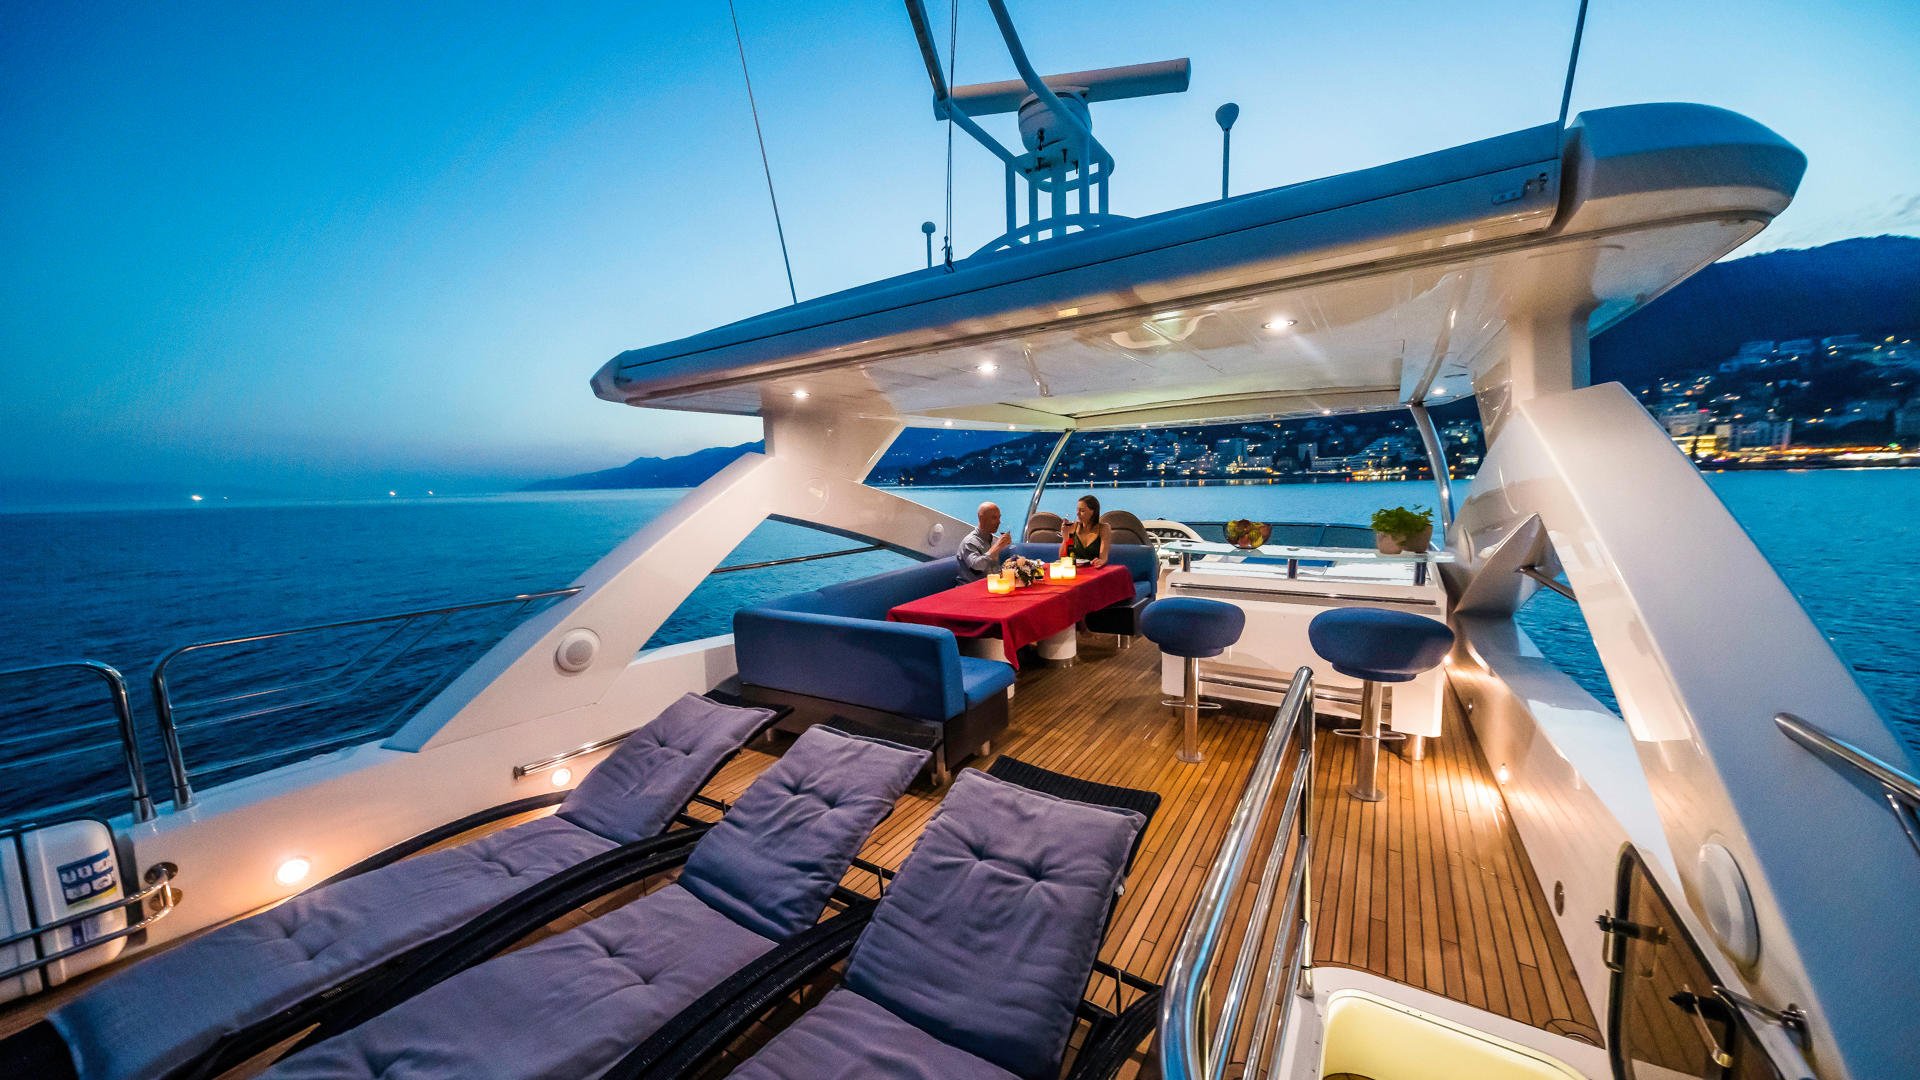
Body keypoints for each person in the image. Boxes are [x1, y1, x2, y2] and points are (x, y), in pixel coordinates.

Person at [956, 501, 1012, 584]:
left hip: (991, 585)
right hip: (970, 588)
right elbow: (977, 567)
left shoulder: (992, 539)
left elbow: (994, 570)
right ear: (982, 519)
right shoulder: (969, 542)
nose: (999, 522)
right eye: (994, 518)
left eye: (999, 518)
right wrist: (996, 547)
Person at [1059, 494, 1110, 568]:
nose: (1077, 513)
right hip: (1075, 569)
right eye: (1077, 510)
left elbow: (1103, 558)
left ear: (1093, 512)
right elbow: (1062, 557)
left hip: (1094, 569)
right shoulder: (1073, 527)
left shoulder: (1103, 528)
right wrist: (1065, 538)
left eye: (1082, 511)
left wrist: (1100, 561)